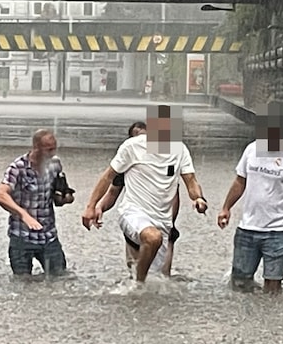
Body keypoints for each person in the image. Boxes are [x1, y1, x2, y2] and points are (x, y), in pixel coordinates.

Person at [82, 108, 208, 283]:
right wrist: (92, 207)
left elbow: (191, 180)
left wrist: (198, 198)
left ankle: (138, 289)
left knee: (158, 281)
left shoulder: (180, 150)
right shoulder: (132, 147)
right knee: (151, 238)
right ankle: (138, 284)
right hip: (133, 212)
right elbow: (108, 178)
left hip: (163, 221)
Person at [216, 112, 283, 294]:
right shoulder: (251, 150)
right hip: (248, 228)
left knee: (272, 287)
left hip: (278, 231)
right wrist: (226, 208)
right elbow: (240, 182)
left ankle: (272, 319)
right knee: (239, 284)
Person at [94, 121, 180, 277]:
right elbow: (113, 193)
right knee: (136, 273)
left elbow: (175, 196)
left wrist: (170, 224)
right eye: (137, 137)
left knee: (163, 276)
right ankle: (136, 295)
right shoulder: (127, 162)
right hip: (137, 222)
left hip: (164, 225)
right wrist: (99, 207)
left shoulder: (167, 161)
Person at [0, 129, 74, 277]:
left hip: (48, 236)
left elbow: (57, 197)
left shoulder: (55, 164)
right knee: (22, 284)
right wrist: (24, 215)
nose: (53, 153)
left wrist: (64, 198)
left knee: (60, 279)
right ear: (36, 148)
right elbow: (0, 195)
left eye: (54, 148)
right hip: (22, 237)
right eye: (49, 149)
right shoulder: (18, 168)